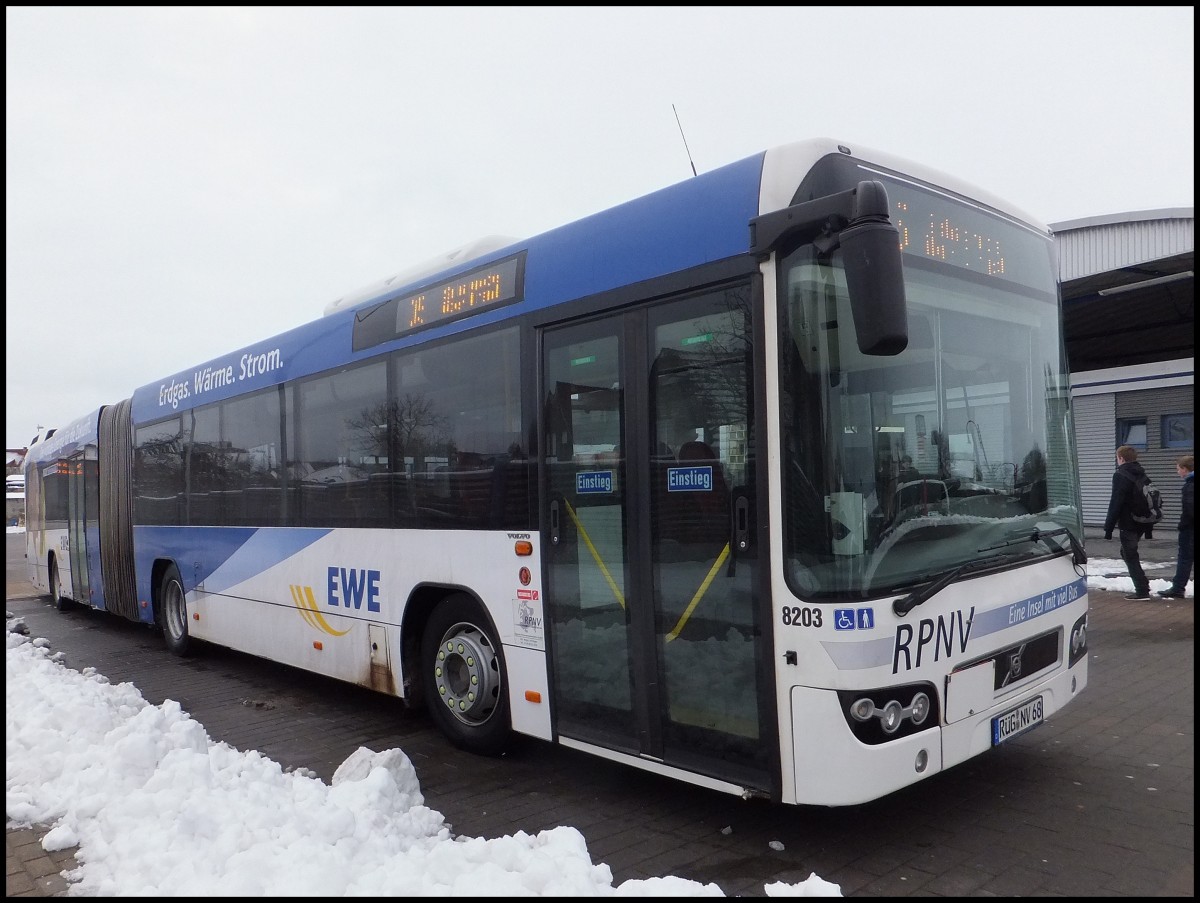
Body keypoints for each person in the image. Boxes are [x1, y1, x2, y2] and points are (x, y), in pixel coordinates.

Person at [1103, 445, 1154, 601]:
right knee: (1127, 553)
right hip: (1141, 522)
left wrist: (1108, 528)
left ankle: (1142, 590)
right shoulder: (1141, 473)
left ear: (1121, 458)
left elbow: (1116, 501)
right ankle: (1143, 585)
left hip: (1128, 522)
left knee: (1129, 554)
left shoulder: (1120, 475)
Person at [1157, 453, 1194, 598]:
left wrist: (1184, 524)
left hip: (1189, 529)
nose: (1177, 472)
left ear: (1185, 469)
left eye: (1178, 469)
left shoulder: (1189, 486)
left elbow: (1190, 509)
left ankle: (1178, 588)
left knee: (1184, 558)